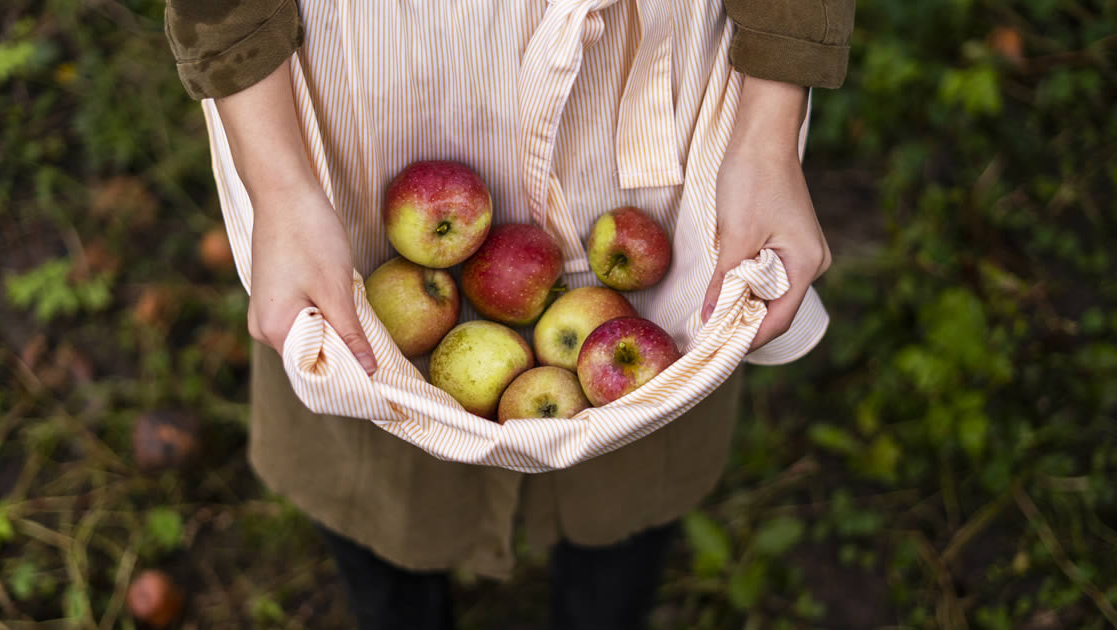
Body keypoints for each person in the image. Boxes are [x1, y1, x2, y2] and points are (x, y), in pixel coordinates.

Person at [164, 2, 852, 629]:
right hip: (372, 101)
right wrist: (280, 182)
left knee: (634, 477)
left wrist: (768, 128)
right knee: (368, 422)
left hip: (643, 115)